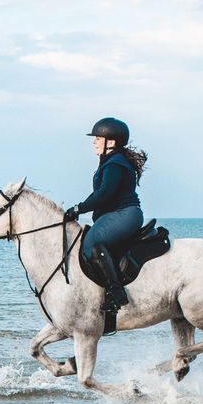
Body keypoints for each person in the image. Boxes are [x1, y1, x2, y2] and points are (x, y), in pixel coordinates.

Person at [64, 117, 147, 312]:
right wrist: (80, 207)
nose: (94, 142)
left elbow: (104, 194)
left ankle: (116, 293)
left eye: (98, 139)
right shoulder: (110, 161)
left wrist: (78, 209)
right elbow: (98, 194)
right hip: (119, 214)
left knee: (91, 243)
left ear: (111, 142)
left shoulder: (114, 164)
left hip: (125, 214)